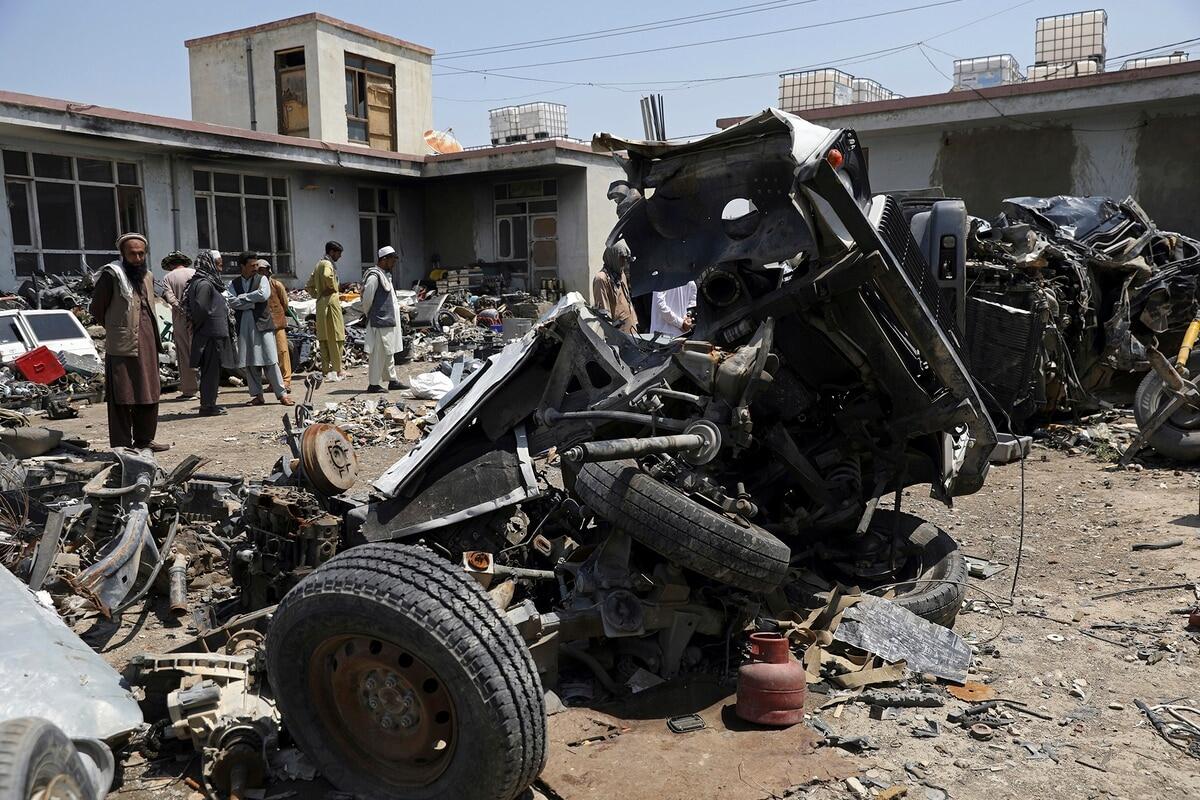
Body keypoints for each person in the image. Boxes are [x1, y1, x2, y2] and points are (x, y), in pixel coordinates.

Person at [89, 233, 168, 451]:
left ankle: (145, 440)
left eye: (141, 254)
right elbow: (97, 308)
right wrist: (117, 327)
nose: (138, 258)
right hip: (122, 345)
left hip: (148, 343)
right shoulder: (112, 275)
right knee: (122, 396)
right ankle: (122, 445)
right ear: (123, 254)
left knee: (149, 392)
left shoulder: (148, 276)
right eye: (133, 254)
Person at [227, 253, 294, 407]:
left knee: (270, 360)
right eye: (252, 265)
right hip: (244, 326)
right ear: (242, 266)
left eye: (256, 265)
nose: (255, 268)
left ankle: (282, 394)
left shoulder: (262, 279)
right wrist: (251, 303)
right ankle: (258, 395)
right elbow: (231, 301)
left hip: (262, 324)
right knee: (250, 362)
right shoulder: (234, 283)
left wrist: (243, 298)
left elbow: (263, 295)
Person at [185, 251, 232, 416]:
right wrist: (202, 325)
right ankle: (207, 406)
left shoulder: (207, 282)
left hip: (211, 332)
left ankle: (209, 403)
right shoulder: (204, 284)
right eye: (218, 264)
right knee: (210, 371)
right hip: (209, 334)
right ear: (208, 263)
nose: (220, 268)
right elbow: (201, 309)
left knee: (212, 370)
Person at [362, 245, 407, 393]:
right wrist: (371, 315)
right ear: (384, 259)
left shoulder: (384, 275)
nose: (394, 263)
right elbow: (367, 300)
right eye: (392, 260)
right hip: (379, 321)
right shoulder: (374, 276)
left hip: (388, 320)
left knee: (389, 352)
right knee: (378, 353)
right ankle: (373, 384)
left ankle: (392, 380)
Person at [305, 241, 346, 381]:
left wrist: (318, 295)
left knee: (324, 338)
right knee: (336, 336)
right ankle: (337, 370)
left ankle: (325, 369)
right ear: (332, 252)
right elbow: (328, 276)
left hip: (321, 304)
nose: (340, 256)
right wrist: (331, 288)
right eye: (338, 253)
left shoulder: (318, 264)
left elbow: (309, 286)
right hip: (331, 303)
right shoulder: (327, 264)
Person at [160, 251, 198, 398]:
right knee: (201, 350)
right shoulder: (194, 273)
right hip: (198, 317)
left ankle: (189, 390)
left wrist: (182, 309)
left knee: (184, 353)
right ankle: (208, 387)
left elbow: (170, 298)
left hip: (180, 319)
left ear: (170, 264)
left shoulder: (168, 277)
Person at [592, 240, 639, 334]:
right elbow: (603, 312)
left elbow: (627, 300)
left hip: (630, 327)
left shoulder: (621, 274)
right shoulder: (601, 279)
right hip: (617, 332)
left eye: (625, 259)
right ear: (613, 257)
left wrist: (635, 320)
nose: (624, 262)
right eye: (621, 258)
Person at [259, 260, 292, 392]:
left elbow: (285, 303)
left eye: (264, 270)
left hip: (277, 323)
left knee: (282, 352)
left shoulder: (276, 285)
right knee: (268, 355)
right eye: (259, 271)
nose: (262, 273)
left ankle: (286, 381)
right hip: (263, 324)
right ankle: (273, 383)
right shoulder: (256, 287)